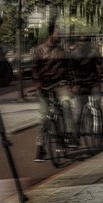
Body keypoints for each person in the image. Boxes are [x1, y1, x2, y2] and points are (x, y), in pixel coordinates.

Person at [32, 17, 77, 161]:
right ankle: (40, 148)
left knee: (65, 104)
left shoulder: (62, 51)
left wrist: (72, 84)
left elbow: (69, 69)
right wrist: (38, 82)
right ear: (51, 34)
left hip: (60, 84)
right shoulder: (39, 50)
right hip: (44, 86)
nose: (60, 35)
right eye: (58, 32)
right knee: (44, 117)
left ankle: (70, 135)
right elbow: (34, 68)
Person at [70, 35, 103, 141]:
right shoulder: (91, 52)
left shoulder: (76, 53)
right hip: (88, 83)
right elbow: (102, 63)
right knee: (93, 107)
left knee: (82, 110)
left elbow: (102, 63)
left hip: (85, 83)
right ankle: (97, 133)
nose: (83, 44)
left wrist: (73, 82)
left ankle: (76, 136)